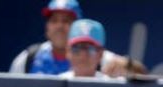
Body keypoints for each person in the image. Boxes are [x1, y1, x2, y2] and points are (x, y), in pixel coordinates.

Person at [9, 0, 145, 77]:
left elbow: (142, 76)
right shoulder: (29, 58)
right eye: (54, 21)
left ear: (78, 27)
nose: (59, 26)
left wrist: (128, 65)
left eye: (66, 21)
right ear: (47, 27)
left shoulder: (97, 55)